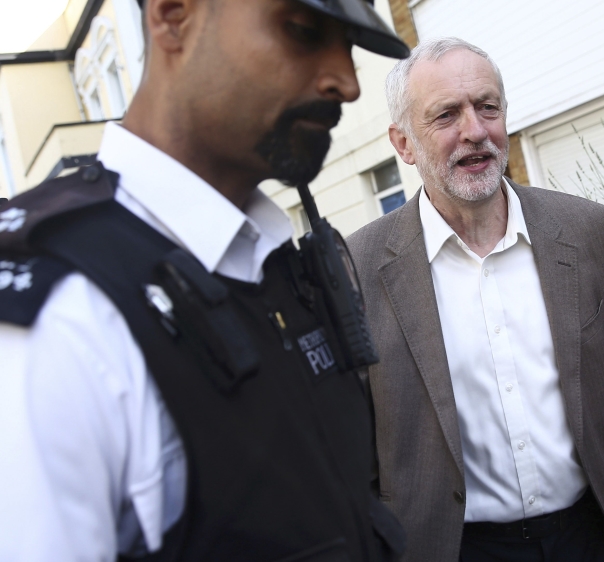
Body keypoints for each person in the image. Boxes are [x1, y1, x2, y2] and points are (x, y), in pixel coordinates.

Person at [0, 0, 410, 560]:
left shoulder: (280, 261)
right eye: (303, 31)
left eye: (350, 47)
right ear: (173, 17)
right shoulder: (61, 318)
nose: (346, 82)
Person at [346, 37, 604, 562]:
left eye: (487, 107)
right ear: (404, 143)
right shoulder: (358, 268)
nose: (475, 131)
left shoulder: (590, 232)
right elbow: (354, 448)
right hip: (453, 548)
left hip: (594, 534)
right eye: (445, 115)